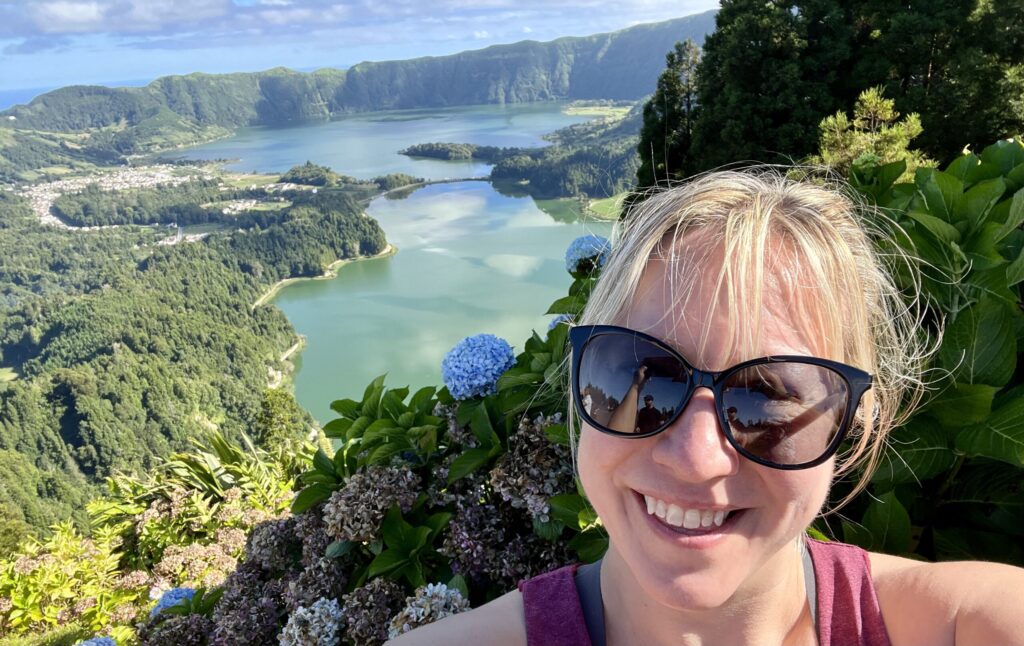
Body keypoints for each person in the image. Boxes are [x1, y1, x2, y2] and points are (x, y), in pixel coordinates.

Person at [387, 170, 1024, 645]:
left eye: (768, 399)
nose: (695, 459)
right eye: (638, 373)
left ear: (854, 429)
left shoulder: (965, 624)